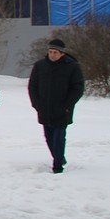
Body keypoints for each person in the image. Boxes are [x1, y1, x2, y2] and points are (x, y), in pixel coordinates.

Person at [27, 39, 85, 174]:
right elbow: (33, 86)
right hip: (44, 109)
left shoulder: (72, 67)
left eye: (55, 52)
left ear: (62, 54)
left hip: (62, 110)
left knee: (59, 138)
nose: (52, 55)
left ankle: (57, 166)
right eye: (50, 52)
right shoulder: (40, 66)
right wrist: (36, 104)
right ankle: (59, 157)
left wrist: (67, 105)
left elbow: (78, 88)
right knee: (49, 138)